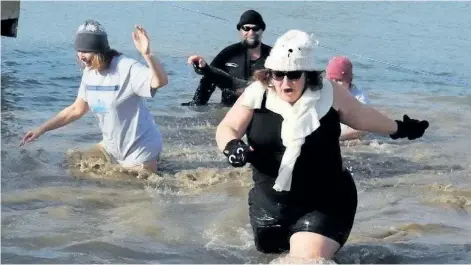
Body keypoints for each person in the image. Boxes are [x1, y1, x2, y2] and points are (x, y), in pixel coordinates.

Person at [215, 29, 429, 261]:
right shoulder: (256, 94)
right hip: (269, 205)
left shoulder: (329, 93)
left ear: (307, 74)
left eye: (294, 75)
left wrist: (400, 128)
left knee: (307, 259)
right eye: (278, 75)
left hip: (326, 201)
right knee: (273, 256)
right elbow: (227, 128)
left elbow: (362, 116)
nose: (285, 83)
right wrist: (232, 146)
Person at [19, 20, 168, 173]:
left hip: (140, 149)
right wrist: (41, 129)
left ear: (99, 51)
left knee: (122, 187)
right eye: (79, 51)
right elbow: (76, 109)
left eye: (85, 51)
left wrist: (147, 54)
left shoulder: (126, 67)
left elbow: (161, 81)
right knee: (72, 164)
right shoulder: (89, 72)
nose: (81, 56)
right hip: (111, 147)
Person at [182, 10, 272, 107]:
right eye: (246, 28)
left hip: (261, 110)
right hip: (229, 109)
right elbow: (209, 77)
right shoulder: (228, 53)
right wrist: (197, 105)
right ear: (240, 30)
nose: (251, 32)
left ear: (262, 30)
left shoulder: (274, 55)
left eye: (256, 28)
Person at [326, 56, 370, 141]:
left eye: (339, 80)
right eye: (331, 80)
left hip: (346, 136)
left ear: (350, 80)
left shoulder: (359, 98)